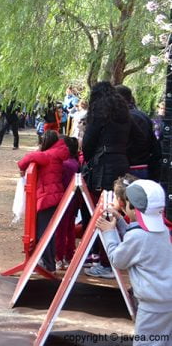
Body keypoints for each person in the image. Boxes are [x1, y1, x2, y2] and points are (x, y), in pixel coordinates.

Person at [97, 179, 172, 342]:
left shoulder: (138, 236)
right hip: (167, 299)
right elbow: (138, 239)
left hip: (152, 304)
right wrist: (122, 220)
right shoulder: (163, 230)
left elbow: (118, 259)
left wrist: (109, 232)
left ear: (133, 207)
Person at [82, 81, 131, 278]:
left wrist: (89, 158)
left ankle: (106, 262)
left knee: (103, 214)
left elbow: (88, 142)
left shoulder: (98, 111)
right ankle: (110, 259)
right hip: (121, 162)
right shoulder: (124, 112)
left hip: (103, 167)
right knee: (115, 211)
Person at [16, 130, 69, 273]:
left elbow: (29, 158)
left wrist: (21, 166)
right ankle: (49, 263)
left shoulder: (48, 155)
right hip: (54, 196)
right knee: (48, 232)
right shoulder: (57, 153)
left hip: (47, 198)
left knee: (42, 233)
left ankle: (48, 264)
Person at [115, 85, 161, 180]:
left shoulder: (126, 117)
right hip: (142, 166)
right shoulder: (142, 115)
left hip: (133, 168)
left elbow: (139, 143)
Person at [55, 136, 79, 270]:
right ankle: (68, 256)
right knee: (69, 229)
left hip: (65, 201)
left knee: (61, 230)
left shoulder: (65, 164)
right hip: (73, 201)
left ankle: (59, 257)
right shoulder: (74, 162)